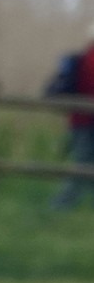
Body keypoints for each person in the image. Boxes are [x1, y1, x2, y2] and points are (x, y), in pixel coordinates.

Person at [46, 24, 94, 209]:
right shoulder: (89, 60)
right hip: (85, 122)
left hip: (79, 121)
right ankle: (60, 206)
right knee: (81, 166)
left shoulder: (84, 58)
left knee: (83, 164)